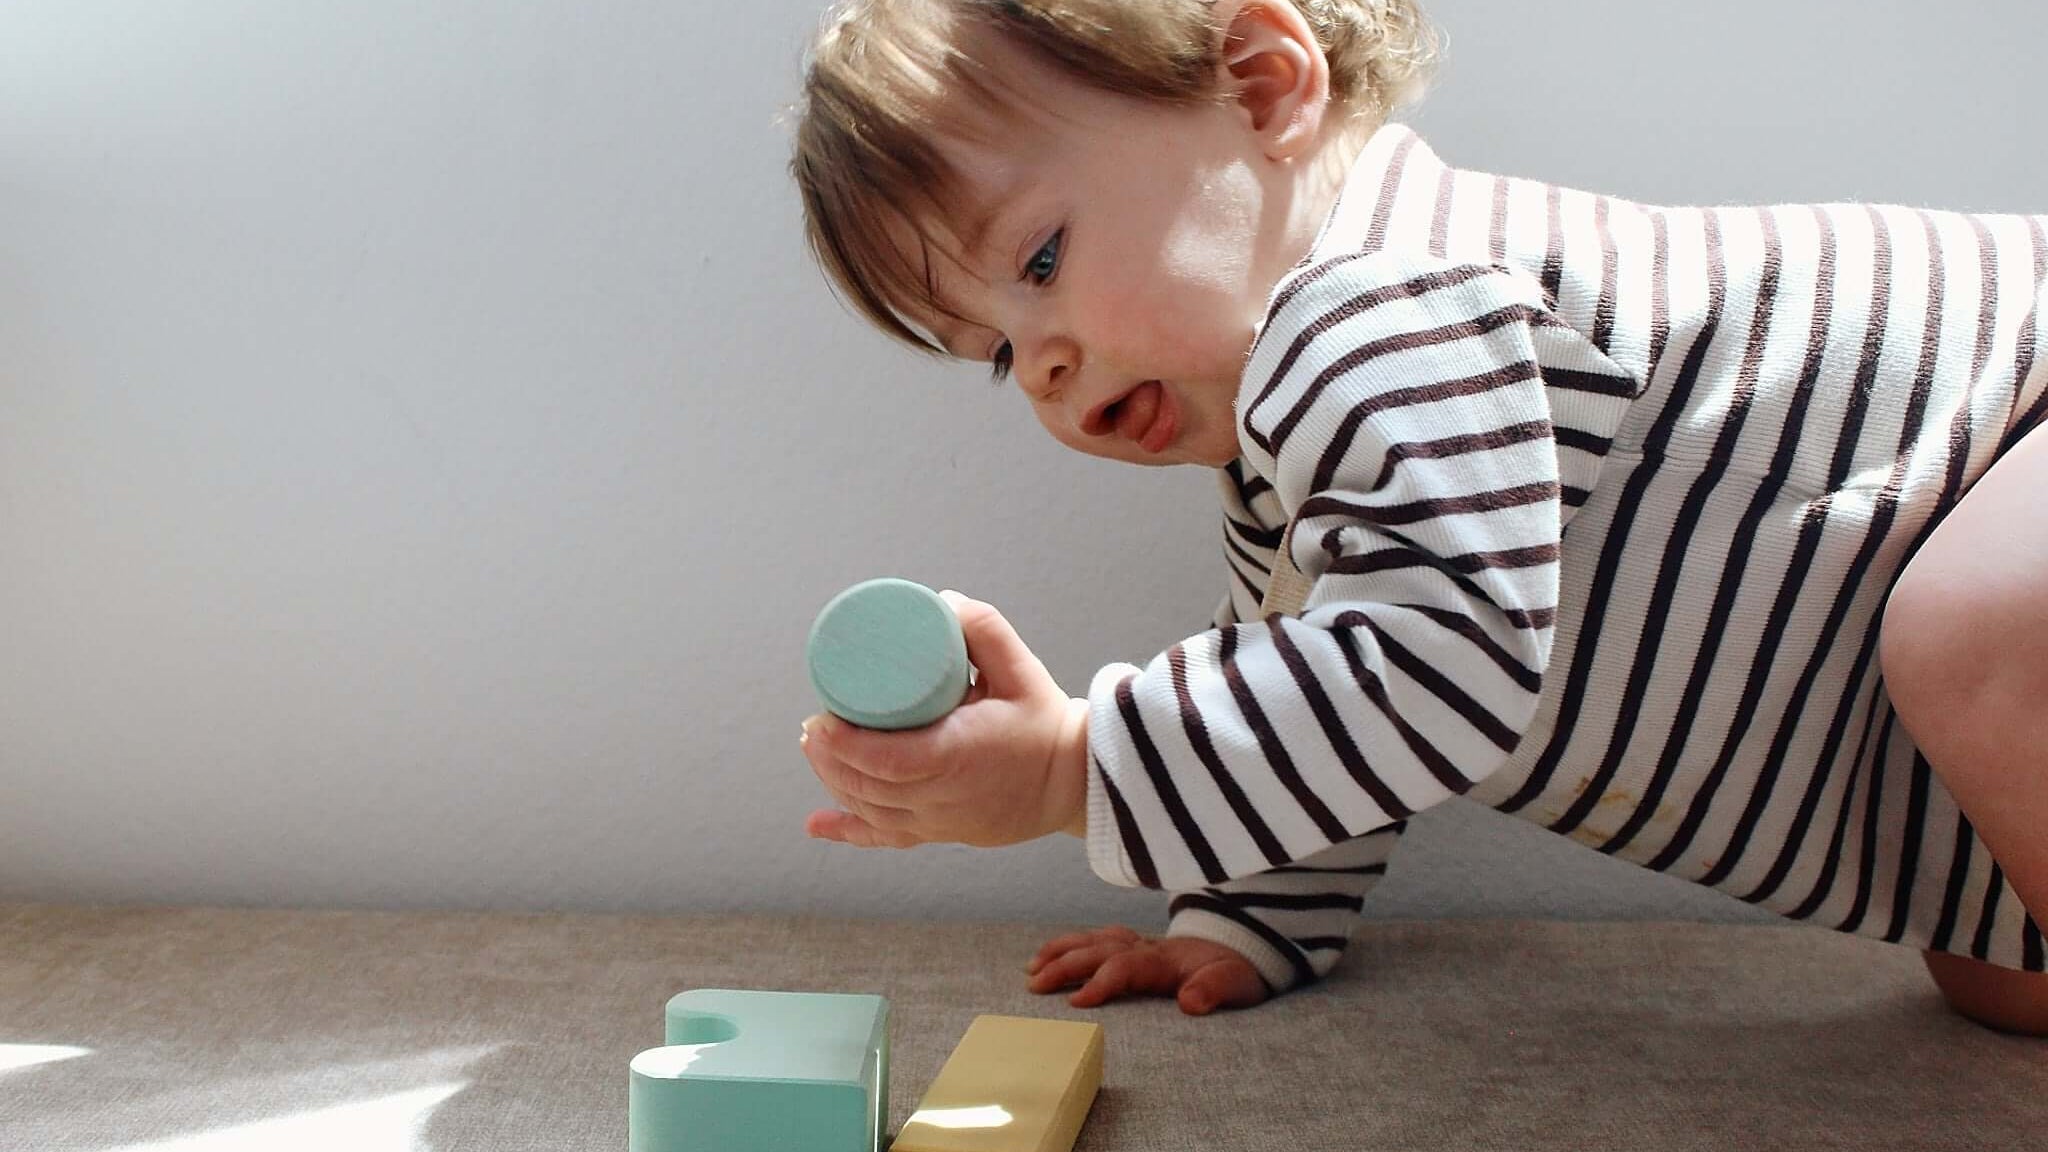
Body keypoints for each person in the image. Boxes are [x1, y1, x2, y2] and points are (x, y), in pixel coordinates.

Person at [789, 0, 2048, 1034]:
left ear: (1264, 84)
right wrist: (1242, 920)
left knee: (1971, 635)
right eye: (1000, 354)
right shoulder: (1292, 454)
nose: (1044, 366)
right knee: (1993, 969)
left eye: (1044, 263)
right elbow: (1318, 678)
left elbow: (1436, 662)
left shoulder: (1382, 309)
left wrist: (1075, 769)